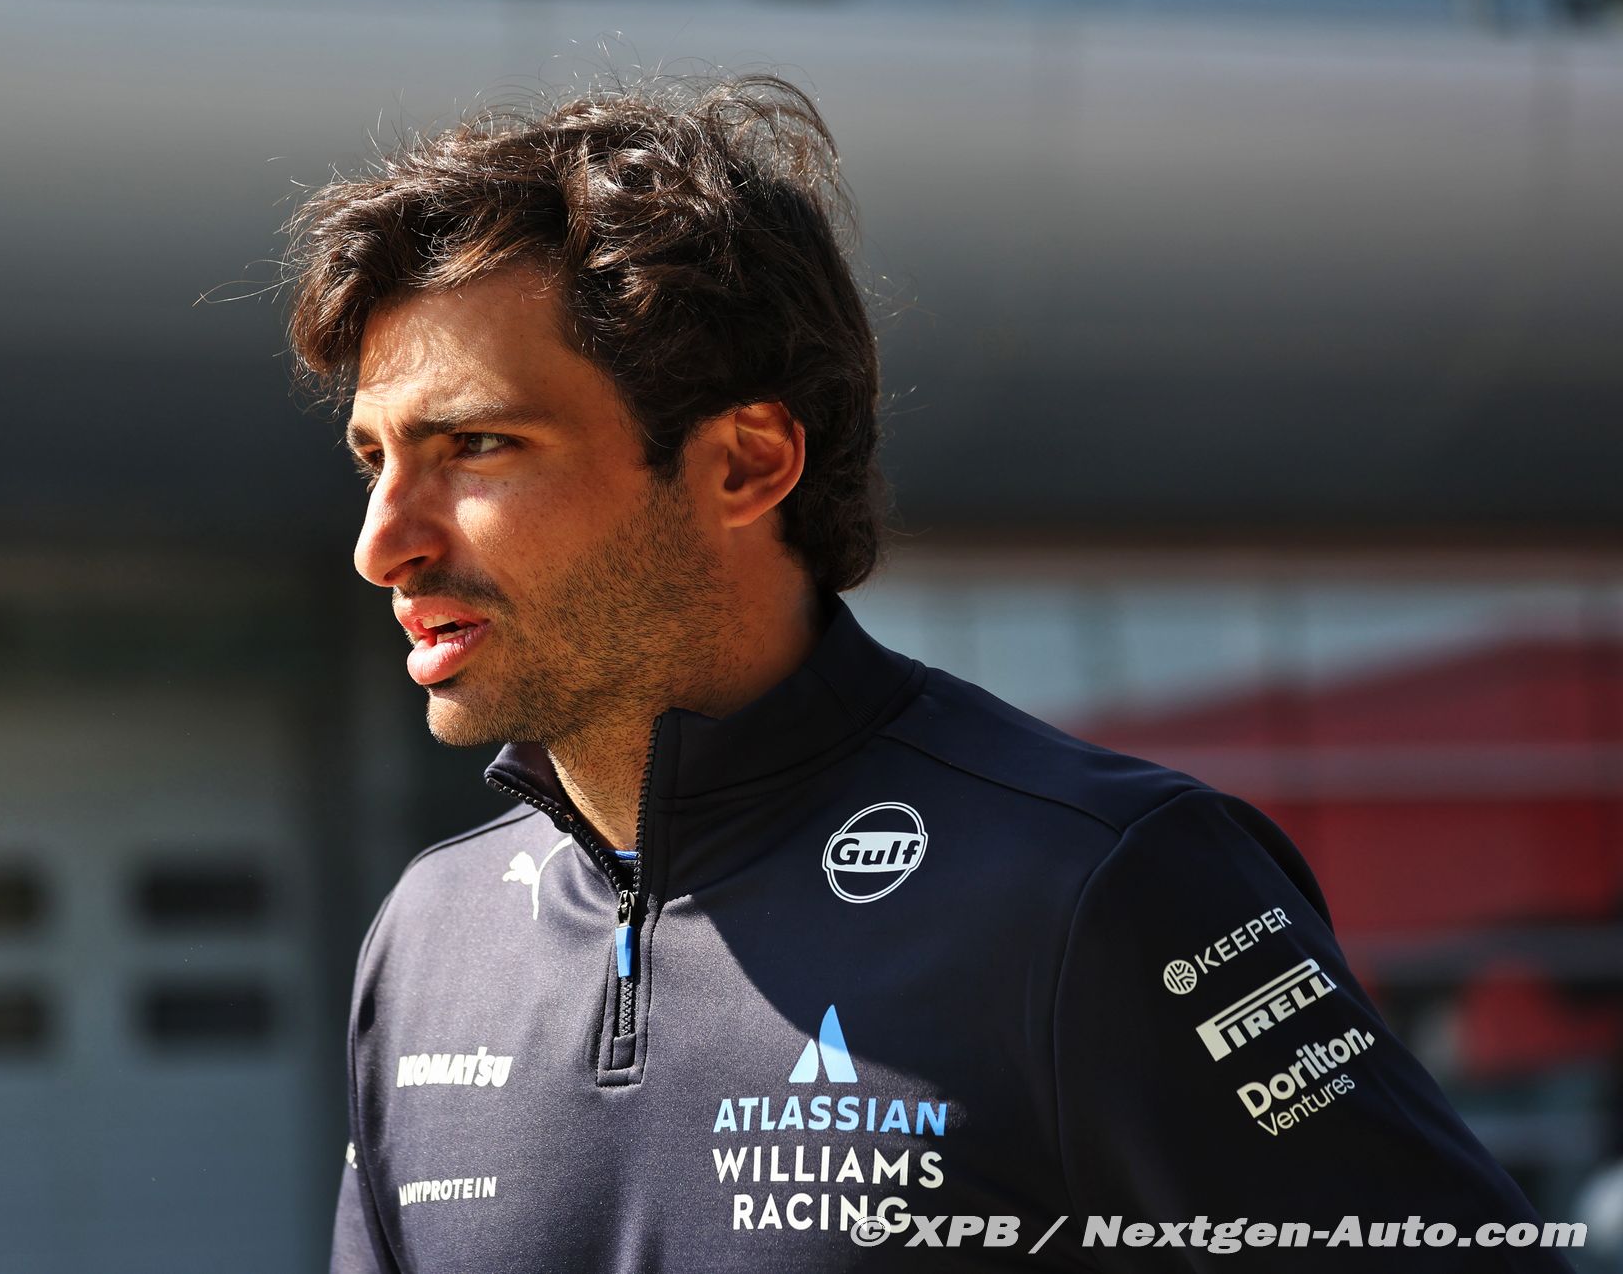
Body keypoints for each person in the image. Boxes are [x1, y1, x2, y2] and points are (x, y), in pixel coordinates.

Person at [282, 74, 1571, 1272]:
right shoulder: (430, 936)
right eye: (374, 460)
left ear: (746, 462)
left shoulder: (1108, 884)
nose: (383, 543)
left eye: (478, 446)